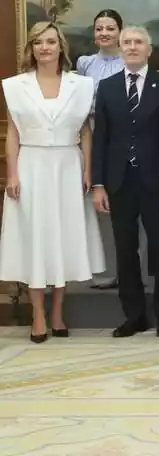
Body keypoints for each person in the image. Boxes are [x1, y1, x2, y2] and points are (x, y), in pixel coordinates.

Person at [2, 22, 105, 343]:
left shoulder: (82, 84)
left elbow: (86, 131)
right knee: (35, 238)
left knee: (62, 237)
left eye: (50, 41)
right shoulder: (16, 86)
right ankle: (37, 314)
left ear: (61, 46)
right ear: (30, 49)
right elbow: (14, 133)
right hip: (30, 166)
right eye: (38, 42)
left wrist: (89, 170)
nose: (44, 47)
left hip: (67, 166)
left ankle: (58, 311)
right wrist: (13, 174)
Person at [90, 25, 159, 338]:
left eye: (137, 42)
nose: (131, 47)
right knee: (125, 250)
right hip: (119, 182)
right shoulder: (107, 86)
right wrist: (98, 184)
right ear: (120, 46)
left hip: (157, 181)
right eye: (126, 42)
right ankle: (134, 316)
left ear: (148, 50)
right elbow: (100, 138)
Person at [76, 9, 126, 290]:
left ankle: (131, 269)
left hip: (121, 133)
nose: (104, 33)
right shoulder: (85, 64)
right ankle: (106, 269)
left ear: (120, 31)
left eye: (110, 28)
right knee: (99, 200)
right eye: (99, 28)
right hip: (92, 132)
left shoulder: (128, 59)